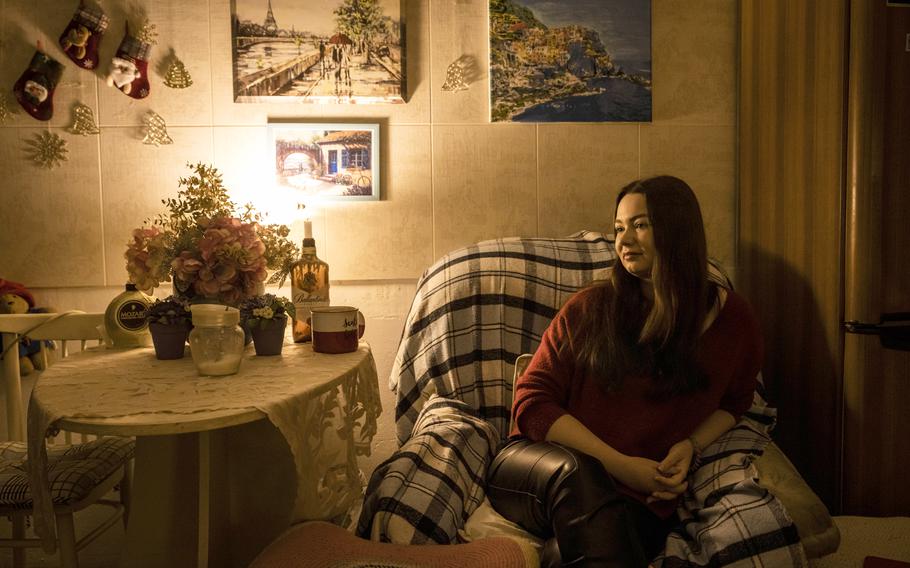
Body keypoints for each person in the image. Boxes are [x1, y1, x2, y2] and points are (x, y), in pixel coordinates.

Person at [486, 175, 763, 567]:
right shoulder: (590, 308)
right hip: (536, 469)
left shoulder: (734, 319)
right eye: (618, 228)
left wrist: (690, 446)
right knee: (578, 474)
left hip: (639, 499)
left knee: (562, 556)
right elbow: (531, 405)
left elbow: (736, 401)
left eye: (640, 225)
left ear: (678, 230)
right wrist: (623, 467)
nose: (624, 240)